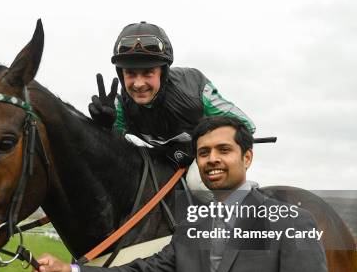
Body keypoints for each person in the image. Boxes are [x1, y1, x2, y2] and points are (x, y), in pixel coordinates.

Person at [32, 116, 330, 272]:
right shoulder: (193, 228)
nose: (212, 159)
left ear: (247, 157)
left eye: (224, 150)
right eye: (203, 152)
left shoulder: (291, 224)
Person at [88, 21, 255, 168]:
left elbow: (245, 125)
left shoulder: (195, 89)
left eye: (148, 73)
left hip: (200, 161)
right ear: (121, 74)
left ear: (163, 72)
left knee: (198, 185)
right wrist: (104, 128)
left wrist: (199, 147)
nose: (138, 84)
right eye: (130, 73)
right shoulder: (120, 105)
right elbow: (110, 151)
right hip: (158, 163)